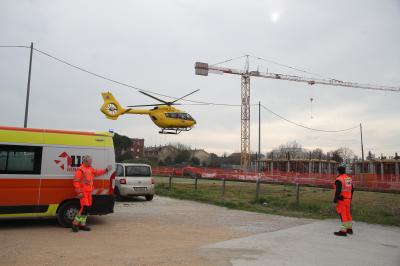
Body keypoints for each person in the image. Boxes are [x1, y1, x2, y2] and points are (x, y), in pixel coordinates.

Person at [72, 155, 112, 232]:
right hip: (83, 193)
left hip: (89, 192)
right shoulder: (80, 170)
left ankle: (82, 225)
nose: (91, 163)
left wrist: (106, 170)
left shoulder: (90, 169)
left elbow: (97, 172)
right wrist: (79, 192)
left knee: (87, 210)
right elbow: (75, 182)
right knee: (84, 209)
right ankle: (75, 224)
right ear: (86, 161)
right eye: (90, 161)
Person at [333, 163, 354, 236]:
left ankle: (343, 231)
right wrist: (350, 198)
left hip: (342, 199)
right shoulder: (348, 178)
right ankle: (349, 229)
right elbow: (352, 189)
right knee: (348, 214)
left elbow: (338, 191)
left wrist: (335, 199)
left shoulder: (339, 179)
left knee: (343, 215)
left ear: (338, 171)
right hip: (348, 199)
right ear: (344, 171)